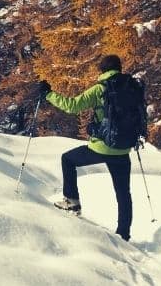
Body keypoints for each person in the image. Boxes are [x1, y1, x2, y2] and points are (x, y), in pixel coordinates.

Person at [39, 54, 133, 242]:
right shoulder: (132, 87)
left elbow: (72, 106)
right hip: (124, 149)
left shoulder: (100, 89)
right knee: (123, 192)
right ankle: (124, 233)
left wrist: (48, 94)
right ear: (119, 68)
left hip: (102, 147)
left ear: (102, 70)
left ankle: (72, 202)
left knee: (68, 159)